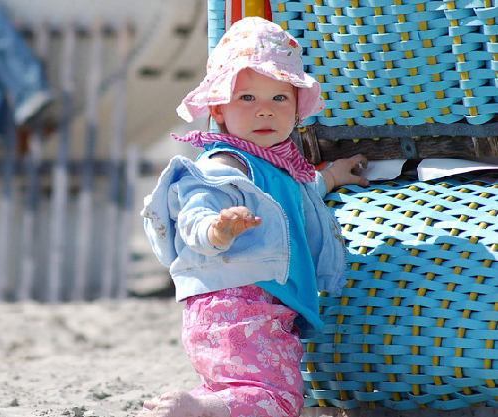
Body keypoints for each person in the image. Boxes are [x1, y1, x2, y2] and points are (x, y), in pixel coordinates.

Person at [138, 17, 369, 417]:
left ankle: (201, 406)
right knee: (276, 398)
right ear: (219, 109)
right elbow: (194, 212)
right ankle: (195, 408)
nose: (264, 111)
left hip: (241, 308)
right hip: (245, 304)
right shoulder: (223, 164)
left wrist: (330, 176)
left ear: (297, 108)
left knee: (240, 389)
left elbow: (292, 202)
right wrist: (218, 228)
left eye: (279, 98)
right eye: (247, 99)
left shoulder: (275, 167)